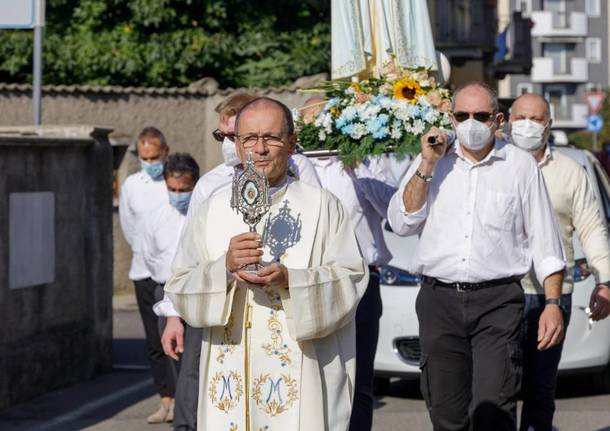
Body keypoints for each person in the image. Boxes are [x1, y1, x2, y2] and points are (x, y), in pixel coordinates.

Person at [164, 97, 368, 431]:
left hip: (300, 372)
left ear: (291, 142)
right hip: (228, 373)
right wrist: (224, 268)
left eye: (271, 138)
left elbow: (351, 279)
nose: (259, 149)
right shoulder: (214, 209)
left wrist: (292, 281)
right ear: (238, 144)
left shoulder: (323, 207)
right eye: (249, 139)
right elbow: (180, 284)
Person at [387, 82, 566, 430]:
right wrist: (426, 164)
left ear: (497, 120)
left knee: (493, 409)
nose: (471, 123)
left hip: (497, 302)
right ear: (450, 119)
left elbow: (546, 242)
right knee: (446, 412)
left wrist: (553, 304)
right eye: (462, 115)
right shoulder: (432, 161)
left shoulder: (519, 166)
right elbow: (402, 221)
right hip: (439, 301)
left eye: (480, 116)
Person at [508, 93, 610, 430]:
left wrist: (605, 280)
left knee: (539, 390)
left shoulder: (570, 171)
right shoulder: (493, 167)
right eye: (521, 116)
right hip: (499, 295)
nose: (528, 124)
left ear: (549, 125)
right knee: (498, 390)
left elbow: (593, 229)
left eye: (536, 119)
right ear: (508, 121)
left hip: (550, 299)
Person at [311, 155, 396, 431]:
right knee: (314, 376)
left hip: (360, 279)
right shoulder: (295, 162)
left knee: (358, 379)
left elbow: (395, 212)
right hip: (310, 282)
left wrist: (358, 167)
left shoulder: (368, 158)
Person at [118, 127, 176, 424]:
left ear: (165, 153)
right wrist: (145, 253)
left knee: (177, 339)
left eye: (154, 157)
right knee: (154, 341)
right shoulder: (131, 185)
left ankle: (182, 397)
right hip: (143, 271)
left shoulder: (175, 182)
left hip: (173, 273)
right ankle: (165, 399)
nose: (149, 162)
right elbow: (129, 226)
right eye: (144, 157)